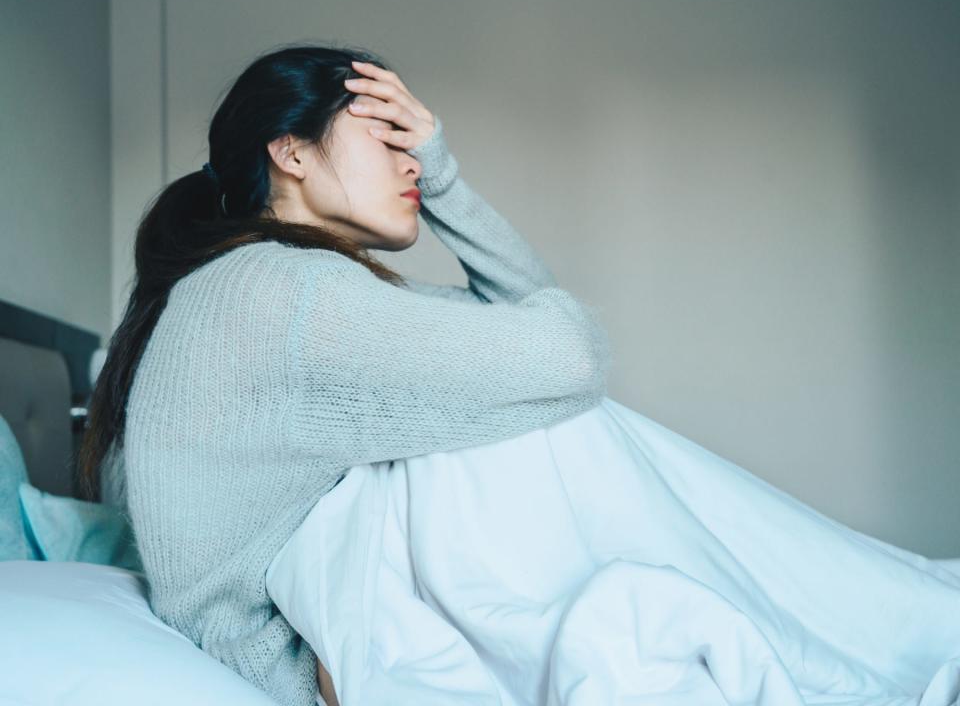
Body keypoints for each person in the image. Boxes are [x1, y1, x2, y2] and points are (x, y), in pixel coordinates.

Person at [77, 42, 611, 706]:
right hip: (298, 669)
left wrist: (440, 177)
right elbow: (571, 357)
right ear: (291, 151)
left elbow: (525, 317)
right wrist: (444, 184)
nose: (414, 159)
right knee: (560, 429)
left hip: (299, 651)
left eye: (414, 147)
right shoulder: (281, 292)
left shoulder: (264, 280)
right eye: (387, 138)